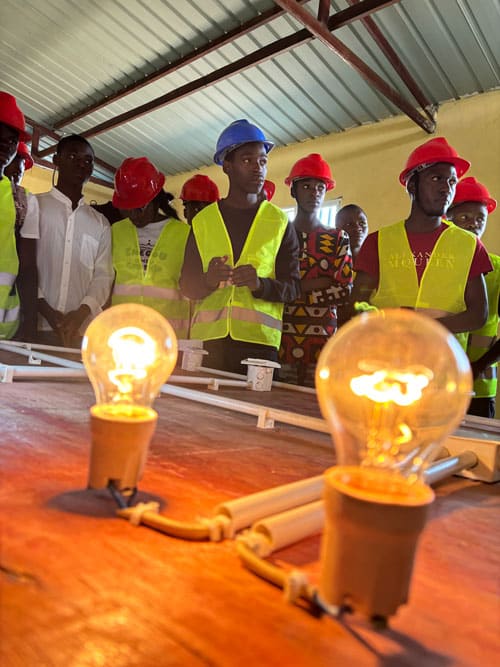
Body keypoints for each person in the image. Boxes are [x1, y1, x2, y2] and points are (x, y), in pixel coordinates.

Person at [180, 119, 300, 374]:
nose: (258, 168)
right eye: (247, 160)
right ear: (227, 166)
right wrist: (209, 280)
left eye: (263, 161)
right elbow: (187, 286)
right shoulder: (203, 222)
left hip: (259, 349)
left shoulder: (279, 222)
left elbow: (293, 289)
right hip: (208, 345)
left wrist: (261, 285)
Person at [352, 137, 492, 338]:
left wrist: (419, 325)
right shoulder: (378, 242)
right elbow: (356, 306)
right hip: (388, 359)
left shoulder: (469, 245)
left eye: (452, 181)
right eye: (436, 178)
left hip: (444, 362)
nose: (446, 188)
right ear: (412, 185)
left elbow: (479, 314)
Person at [279, 153, 353, 386]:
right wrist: (321, 283)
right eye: (307, 186)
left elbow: (344, 289)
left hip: (322, 340)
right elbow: (272, 283)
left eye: (320, 187)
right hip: (281, 337)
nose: (314, 192)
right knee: (276, 401)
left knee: (314, 404)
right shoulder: (279, 235)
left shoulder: (338, 238)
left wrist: (293, 290)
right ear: (293, 191)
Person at [36, 134, 113, 346]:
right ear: (56, 160)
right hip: (36, 325)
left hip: (80, 333)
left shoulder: (100, 223)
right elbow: (24, 265)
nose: (81, 165)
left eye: (88, 161)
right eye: (73, 157)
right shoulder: (35, 206)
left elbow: (103, 276)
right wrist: (45, 309)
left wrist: (81, 314)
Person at [111, 157, 191, 339]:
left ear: (155, 198)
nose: (133, 215)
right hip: (123, 337)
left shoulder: (184, 234)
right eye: (127, 208)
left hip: (168, 339)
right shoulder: (116, 231)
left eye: (139, 208)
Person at [447, 177, 499, 418]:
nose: (473, 224)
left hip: (478, 390)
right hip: (438, 384)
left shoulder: (497, 269)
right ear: (448, 218)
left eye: (480, 218)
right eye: (464, 218)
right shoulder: (437, 266)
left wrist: (479, 366)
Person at [0, 91, 38, 341]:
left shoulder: (21, 200)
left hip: (4, 327)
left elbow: (26, 266)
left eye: (12, 141)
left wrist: (29, 324)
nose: (6, 146)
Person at [335, 203, 368, 328]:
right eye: (349, 225)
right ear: (337, 229)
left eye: (362, 223)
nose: (357, 228)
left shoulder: (375, 261)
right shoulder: (332, 264)